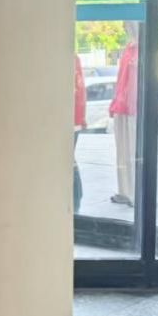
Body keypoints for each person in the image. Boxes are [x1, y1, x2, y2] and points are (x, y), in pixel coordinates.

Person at [110, 25, 139, 207]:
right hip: (121, 106)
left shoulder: (141, 50)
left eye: (128, 25)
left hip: (133, 108)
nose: (125, 28)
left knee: (133, 152)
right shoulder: (129, 48)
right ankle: (124, 191)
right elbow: (121, 79)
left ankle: (135, 193)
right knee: (122, 152)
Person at [74, 54, 86, 214]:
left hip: (69, 120)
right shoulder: (74, 59)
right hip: (74, 119)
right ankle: (76, 198)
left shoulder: (69, 59)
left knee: (68, 161)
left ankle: (76, 198)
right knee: (70, 161)